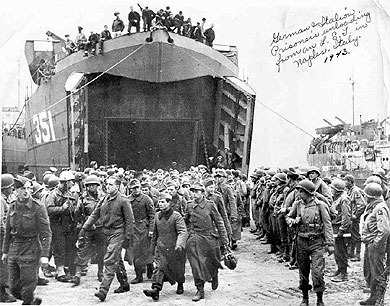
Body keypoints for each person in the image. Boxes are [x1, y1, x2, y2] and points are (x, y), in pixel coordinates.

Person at [79, 175, 134, 301]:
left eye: (111, 185)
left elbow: (130, 221)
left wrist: (127, 237)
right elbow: (95, 214)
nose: (107, 187)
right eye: (106, 184)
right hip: (107, 232)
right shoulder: (104, 199)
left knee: (109, 259)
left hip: (118, 233)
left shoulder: (123, 200)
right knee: (116, 258)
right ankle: (124, 284)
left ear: (118, 186)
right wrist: (84, 228)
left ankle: (103, 290)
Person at [2, 176, 52, 305]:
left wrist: (45, 255)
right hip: (15, 248)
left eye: (28, 188)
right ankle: (30, 300)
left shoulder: (38, 207)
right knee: (13, 287)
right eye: (22, 188)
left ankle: (28, 301)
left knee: (28, 284)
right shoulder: (12, 206)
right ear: (16, 190)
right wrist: (5, 252)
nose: (26, 191)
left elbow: (46, 233)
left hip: (31, 248)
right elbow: (7, 232)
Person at [286, 180, 334, 306]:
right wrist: (293, 220)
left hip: (316, 241)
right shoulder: (297, 204)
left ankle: (319, 299)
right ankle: (305, 298)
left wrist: (330, 243)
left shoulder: (320, 205)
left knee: (317, 272)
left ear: (308, 192)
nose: (299, 193)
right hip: (301, 241)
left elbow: (327, 224)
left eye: (302, 191)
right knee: (303, 271)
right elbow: (288, 218)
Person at [184, 182, 229, 302]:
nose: (194, 194)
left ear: (203, 193)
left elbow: (219, 222)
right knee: (195, 265)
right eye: (192, 191)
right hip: (194, 238)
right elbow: (185, 221)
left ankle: (214, 275)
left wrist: (225, 240)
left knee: (210, 262)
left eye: (197, 191)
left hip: (209, 238)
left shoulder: (210, 205)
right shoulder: (189, 205)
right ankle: (200, 289)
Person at [143, 192, 188, 301]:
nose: (160, 204)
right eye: (159, 202)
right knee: (159, 267)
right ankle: (156, 290)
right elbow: (155, 234)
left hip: (175, 248)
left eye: (163, 202)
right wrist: (152, 248)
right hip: (161, 248)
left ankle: (180, 284)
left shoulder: (176, 216)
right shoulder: (157, 216)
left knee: (179, 269)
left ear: (169, 203)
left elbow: (183, 231)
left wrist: (179, 244)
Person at [360, 182, 390, 306]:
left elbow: (385, 229)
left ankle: (379, 300)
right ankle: (373, 297)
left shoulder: (380, 208)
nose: (365, 198)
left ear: (371, 197)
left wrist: (376, 243)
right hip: (370, 244)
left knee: (378, 273)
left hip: (375, 245)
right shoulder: (373, 206)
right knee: (370, 272)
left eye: (366, 196)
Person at [71, 175, 105, 286]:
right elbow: (77, 213)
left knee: (101, 251)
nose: (92, 188)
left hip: (101, 228)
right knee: (83, 250)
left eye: (94, 185)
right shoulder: (83, 198)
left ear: (98, 186)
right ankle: (78, 274)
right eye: (89, 186)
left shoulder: (103, 197)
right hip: (88, 228)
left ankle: (100, 272)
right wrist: (83, 223)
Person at [46, 171, 78, 282]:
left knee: (67, 247)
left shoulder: (69, 194)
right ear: (66, 182)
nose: (72, 184)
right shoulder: (53, 194)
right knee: (59, 247)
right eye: (70, 182)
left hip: (66, 225)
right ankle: (59, 271)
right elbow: (48, 209)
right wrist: (62, 208)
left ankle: (64, 268)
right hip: (56, 225)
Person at [127, 179, 155, 284]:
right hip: (134, 228)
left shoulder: (146, 199)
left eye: (137, 187)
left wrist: (151, 230)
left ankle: (150, 271)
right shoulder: (128, 200)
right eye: (134, 188)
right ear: (130, 189)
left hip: (145, 228)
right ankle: (138, 276)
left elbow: (152, 216)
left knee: (147, 251)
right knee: (135, 252)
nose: (136, 190)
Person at [329, 178, 352, 282]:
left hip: (340, 228)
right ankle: (339, 269)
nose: (331, 190)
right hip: (335, 227)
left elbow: (346, 216)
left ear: (337, 190)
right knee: (337, 251)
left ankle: (344, 274)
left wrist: (342, 229)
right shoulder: (337, 198)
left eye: (332, 189)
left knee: (341, 251)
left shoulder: (344, 199)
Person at [0, 174, 17, 303]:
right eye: (11, 187)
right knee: (3, 265)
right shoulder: (1, 200)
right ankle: (2, 293)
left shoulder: (4, 199)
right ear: (5, 188)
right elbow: (1, 221)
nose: (12, 189)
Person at [344, 174, 366, 262]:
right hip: (350, 218)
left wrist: (355, 215)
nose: (344, 183)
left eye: (346, 181)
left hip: (354, 218)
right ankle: (351, 253)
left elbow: (362, 205)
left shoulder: (355, 191)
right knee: (352, 235)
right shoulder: (350, 190)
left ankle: (357, 255)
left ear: (350, 182)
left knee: (356, 235)